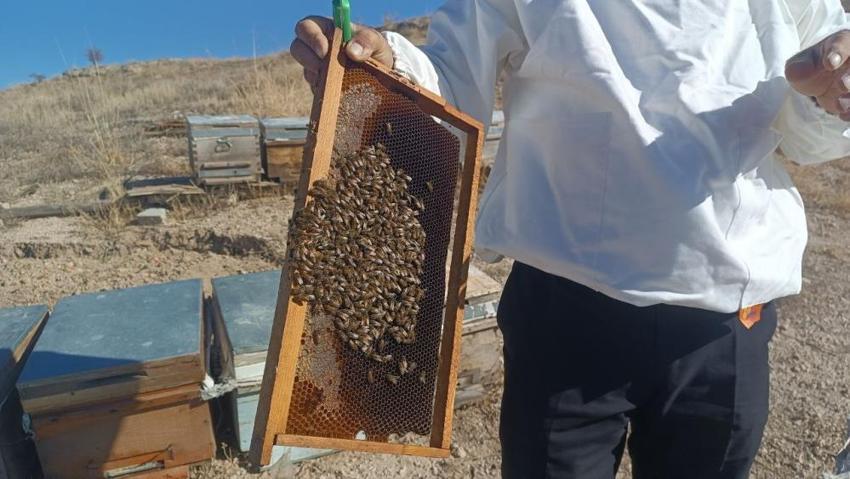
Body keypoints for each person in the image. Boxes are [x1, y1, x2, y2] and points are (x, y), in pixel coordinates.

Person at [291, 2, 850, 478]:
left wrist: (828, 95)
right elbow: (453, 80)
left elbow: (809, 137)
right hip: (566, 308)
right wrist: (389, 65)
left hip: (724, 319)